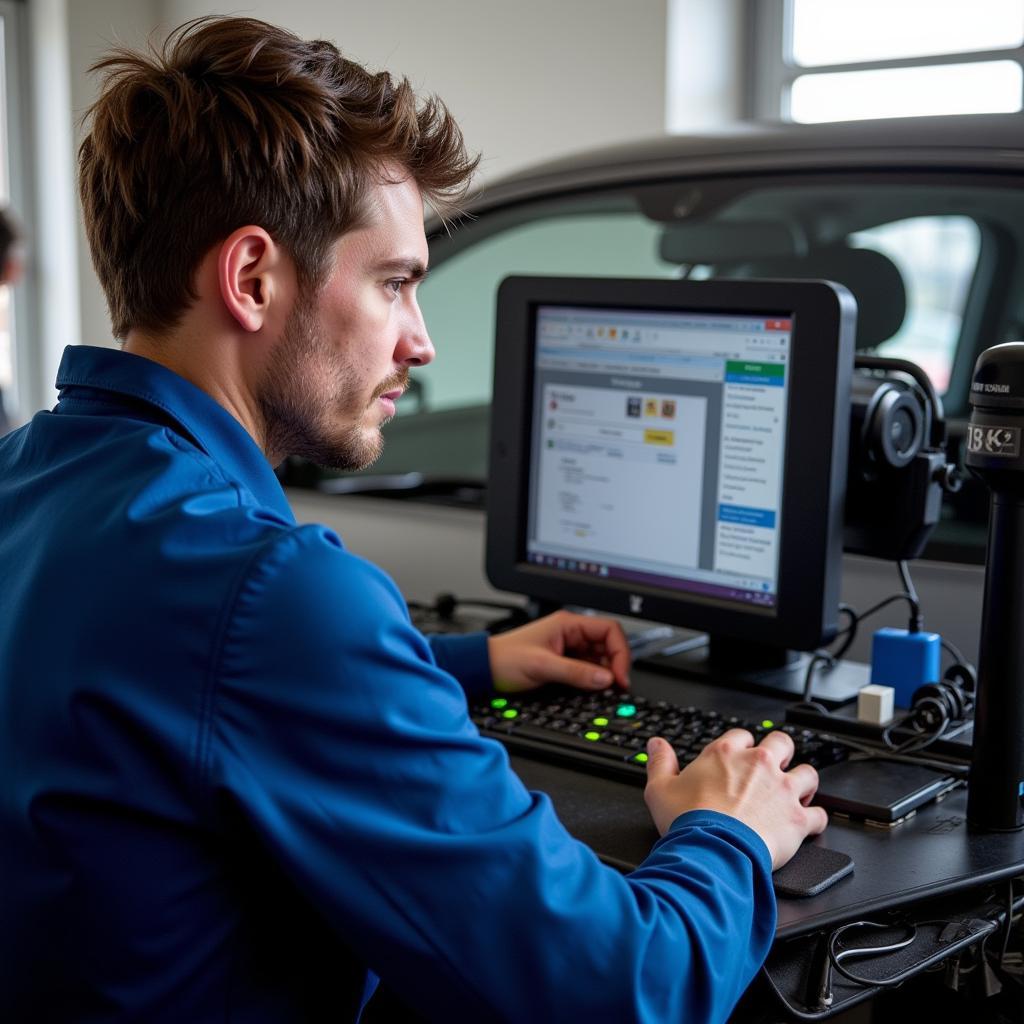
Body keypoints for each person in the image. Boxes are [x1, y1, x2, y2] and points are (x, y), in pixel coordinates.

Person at [0, 16, 827, 1023]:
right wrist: (727, 831)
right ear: (252, 278)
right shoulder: (266, 591)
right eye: (394, 283)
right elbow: (617, 987)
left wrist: (466, 662)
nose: (422, 342)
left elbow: (171, 687)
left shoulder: (29, 484)